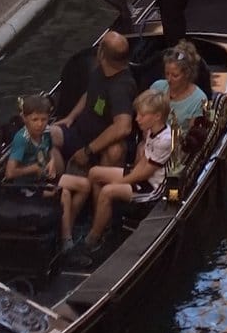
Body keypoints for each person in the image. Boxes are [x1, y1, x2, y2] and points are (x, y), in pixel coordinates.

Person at [59, 88, 174, 259]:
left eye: (142, 115)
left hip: (152, 186)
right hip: (140, 175)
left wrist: (120, 182)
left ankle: (93, 239)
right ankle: (101, 220)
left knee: (108, 191)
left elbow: (145, 174)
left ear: (157, 116)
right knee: (95, 173)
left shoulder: (165, 140)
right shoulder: (151, 130)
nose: (137, 119)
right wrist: (127, 176)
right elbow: (142, 163)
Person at [50, 30, 136, 175]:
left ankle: (96, 190)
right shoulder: (102, 71)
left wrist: (88, 150)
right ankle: (60, 183)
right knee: (47, 135)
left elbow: (123, 127)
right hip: (81, 133)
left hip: (100, 145)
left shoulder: (121, 87)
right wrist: (71, 117)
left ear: (102, 55)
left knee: (115, 151)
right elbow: (90, 93)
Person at [4, 95, 57, 188]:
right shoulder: (22, 139)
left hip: (42, 179)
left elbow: (50, 149)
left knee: (83, 185)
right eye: (35, 120)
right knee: (65, 193)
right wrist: (33, 169)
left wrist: (52, 161)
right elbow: (10, 173)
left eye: (43, 119)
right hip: (26, 186)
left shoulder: (46, 131)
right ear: (25, 119)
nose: (40, 124)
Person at [151, 41, 207, 129]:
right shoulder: (157, 87)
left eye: (175, 75)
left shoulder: (199, 100)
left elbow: (195, 137)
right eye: (167, 74)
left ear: (187, 74)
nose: (169, 79)